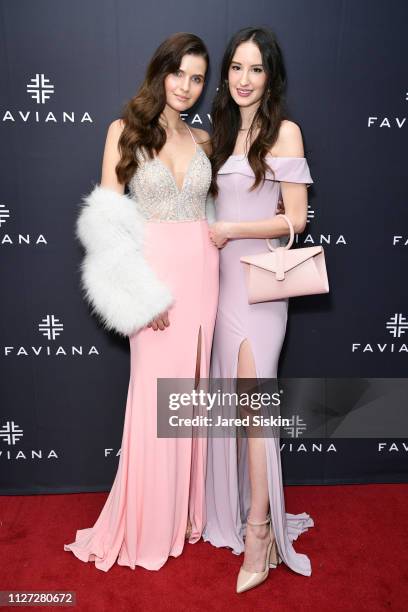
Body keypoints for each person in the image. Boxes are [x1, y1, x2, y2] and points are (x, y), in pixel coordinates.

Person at [64, 32, 219, 571]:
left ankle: (184, 514)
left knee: (192, 397)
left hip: (204, 276)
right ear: (161, 71)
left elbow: (218, 213)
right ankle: (150, 521)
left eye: (197, 77)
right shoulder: (124, 131)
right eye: (179, 72)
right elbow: (106, 224)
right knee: (156, 399)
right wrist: (139, 295)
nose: (186, 85)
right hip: (153, 281)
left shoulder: (203, 140)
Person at [203, 27, 314, 593]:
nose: (244, 80)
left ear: (271, 77)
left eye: (256, 69)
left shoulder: (285, 133)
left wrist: (234, 229)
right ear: (225, 75)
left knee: (254, 410)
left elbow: (296, 221)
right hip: (218, 289)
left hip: (260, 287)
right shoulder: (217, 134)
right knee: (234, 410)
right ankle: (238, 513)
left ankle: (259, 531)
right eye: (236, 68)